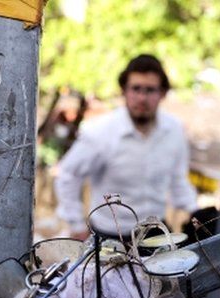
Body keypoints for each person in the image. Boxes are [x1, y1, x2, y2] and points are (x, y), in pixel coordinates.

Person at [53, 54, 197, 242]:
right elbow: (68, 175)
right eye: (136, 89)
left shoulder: (174, 130)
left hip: (157, 234)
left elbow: (179, 180)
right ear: (124, 91)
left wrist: (196, 212)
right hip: (110, 237)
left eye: (150, 90)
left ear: (162, 93)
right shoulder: (101, 132)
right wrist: (77, 225)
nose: (142, 98)